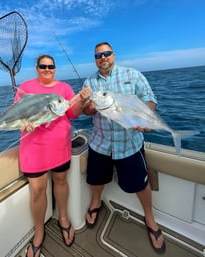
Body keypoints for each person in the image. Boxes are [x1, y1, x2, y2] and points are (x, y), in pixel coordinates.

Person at [82, 42, 166, 254]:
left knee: (140, 184)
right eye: (98, 55)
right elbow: (87, 110)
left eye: (107, 53)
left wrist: (143, 115)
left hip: (129, 144)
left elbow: (150, 98)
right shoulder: (89, 82)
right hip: (100, 143)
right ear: (95, 59)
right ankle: (95, 204)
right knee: (96, 179)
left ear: (114, 55)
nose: (103, 57)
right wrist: (89, 107)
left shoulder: (133, 74)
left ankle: (150, 217)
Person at [14, 54, 91, 257]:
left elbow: (73, 113)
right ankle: (39, 232)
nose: (47, 69)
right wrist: (24, 123)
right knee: (38, 191)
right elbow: (17, 112)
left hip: (59, 147)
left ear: (55, 68)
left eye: (51, 66)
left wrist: (82, 101)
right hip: (33, 149)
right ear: (37, 68)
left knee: (61, 181)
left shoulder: (64, 88)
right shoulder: (26, 88)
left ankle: (63, 218)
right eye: (43, 66)